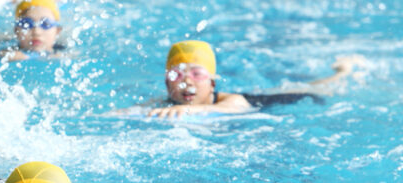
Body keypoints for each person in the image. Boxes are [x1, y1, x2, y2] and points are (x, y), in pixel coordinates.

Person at [147, 40, 365, 119]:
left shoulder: (232, 101)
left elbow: (227, 110)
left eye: (197, 74)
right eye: (176, 75)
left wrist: (188, 110)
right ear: (167, 83)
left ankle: (344, 71)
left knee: (324, 88)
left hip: (291, 99)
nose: (188, 82)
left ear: (212, 82)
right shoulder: (165, 105)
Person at [0, 0, 65, 62]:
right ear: (16, 31)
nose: (36, 32)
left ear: (57, 31)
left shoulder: (64, 51)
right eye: (27, 24)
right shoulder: (9, 48)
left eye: (46, 24)